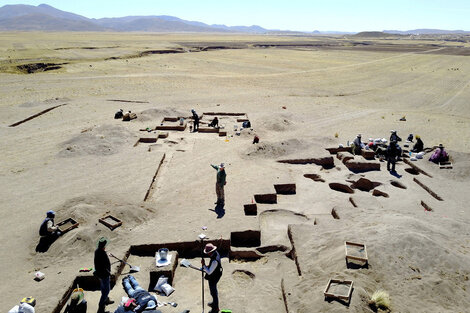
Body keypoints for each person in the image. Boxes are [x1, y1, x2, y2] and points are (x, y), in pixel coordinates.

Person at [201, 243, 223, 313]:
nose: (207, 254)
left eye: (208, 253)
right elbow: (211, 267)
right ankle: (214, 303)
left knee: (213, 292)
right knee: (213, 291)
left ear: (211, 252)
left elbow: (209, 272)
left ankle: (215, 308)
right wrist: (206, 266)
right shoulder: (216, 253)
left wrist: (204, 265)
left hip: (214, 276)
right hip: (216, 272)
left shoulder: (214, 261)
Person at [94, 237, 113, 313]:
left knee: (103, 288)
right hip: (104, 274)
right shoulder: (102, 253)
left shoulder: (97, 251)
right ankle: (101, 307)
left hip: (99, 274)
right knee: (106, 290)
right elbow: (106, 264)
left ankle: (106, 300)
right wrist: (108, 272)